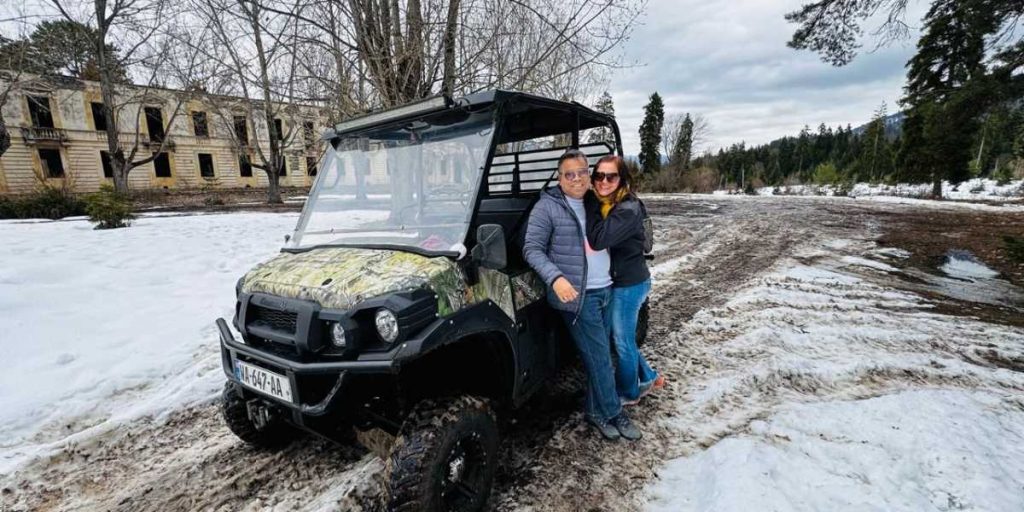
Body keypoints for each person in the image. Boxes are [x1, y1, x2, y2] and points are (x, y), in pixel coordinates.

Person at [522, 149, 641, 441]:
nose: (576, 179)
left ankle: (596, 411)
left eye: (582, 172)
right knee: (600, 357)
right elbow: (531, 249)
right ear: (560, 178)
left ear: (589, 174)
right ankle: (614, 413)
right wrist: (556, 278)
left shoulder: (594, 201)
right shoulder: (547, 207)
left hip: (606, 289)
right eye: (569, 174)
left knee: (599, 355)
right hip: (577, 296)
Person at [585, 155, 664, 405]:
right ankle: (649, 376)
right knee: (622, 337)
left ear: (622, 179)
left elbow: (598, 239)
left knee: (621, 341)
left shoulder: (626, 210)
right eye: (599, 176)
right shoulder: (611, 203)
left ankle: (629, 392)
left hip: (629, 285)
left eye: (611, 176)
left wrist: (588, 202)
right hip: (624, 280)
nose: (604, 181)